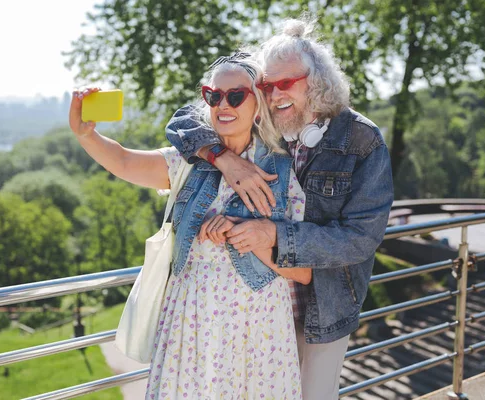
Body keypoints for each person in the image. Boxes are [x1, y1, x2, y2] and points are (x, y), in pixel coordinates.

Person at [165, 17, 394, 400]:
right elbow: (184, 121)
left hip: (324, 304)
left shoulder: (361, 140)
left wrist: (274, 236)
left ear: (318, 79)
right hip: (257, 301)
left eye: (286, 83)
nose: (274, 95)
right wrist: (222, 156)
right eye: (267, 86)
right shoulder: (265, 121)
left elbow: (360, 239)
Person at [69, 53, 310, 399]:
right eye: (213, 96)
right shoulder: (187, 164)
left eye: (236, 96)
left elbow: (304, 272)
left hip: (257, 330)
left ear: (258, 104)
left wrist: (249, 235)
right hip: (189, 322)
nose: (222, 105)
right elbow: (123, 160)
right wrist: (87, 136)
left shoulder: (283, 174)